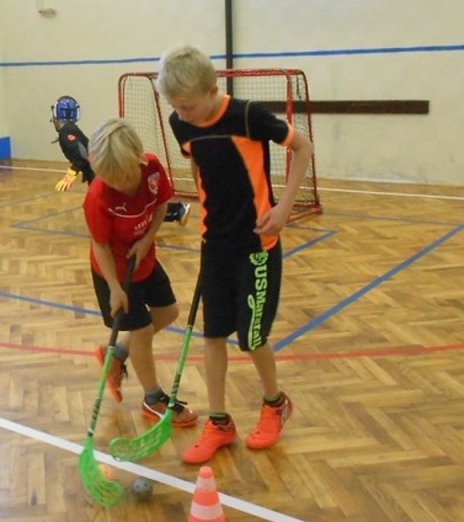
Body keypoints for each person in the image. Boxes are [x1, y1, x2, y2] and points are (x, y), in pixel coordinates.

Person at [156, 45, 314, 464]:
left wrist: (284, 209)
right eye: (176, 107)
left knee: (252, 337)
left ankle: (275, 403)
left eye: (189, 106)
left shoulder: (247, 116)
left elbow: (302, 147)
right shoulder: (181, 122)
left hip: (256, 245)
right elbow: (198, 163)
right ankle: (220, 422)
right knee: (212, 337)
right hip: (214, 245)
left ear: (212, 90)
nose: (183, 115)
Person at [83, 117, 197, 428]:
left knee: (169, 312)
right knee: (143, 331)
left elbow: (161, 205)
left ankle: (117, 354)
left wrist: (148, 239)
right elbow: (100, 245)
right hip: (115, 271)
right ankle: (153, 397)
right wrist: (115, 288)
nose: (119, 185)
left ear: (138, 159)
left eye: (124, 177)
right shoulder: (98, 196)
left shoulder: (152, 168)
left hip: (143, 257)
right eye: (111, 180)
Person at [51, 95, 191, 226]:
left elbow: (81, 157)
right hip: (97, 171)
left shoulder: (66, 133)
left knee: (127, 203)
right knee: (117, 204)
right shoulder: (70, 130)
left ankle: (177, 210)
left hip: (99, 172)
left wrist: (69, 176)